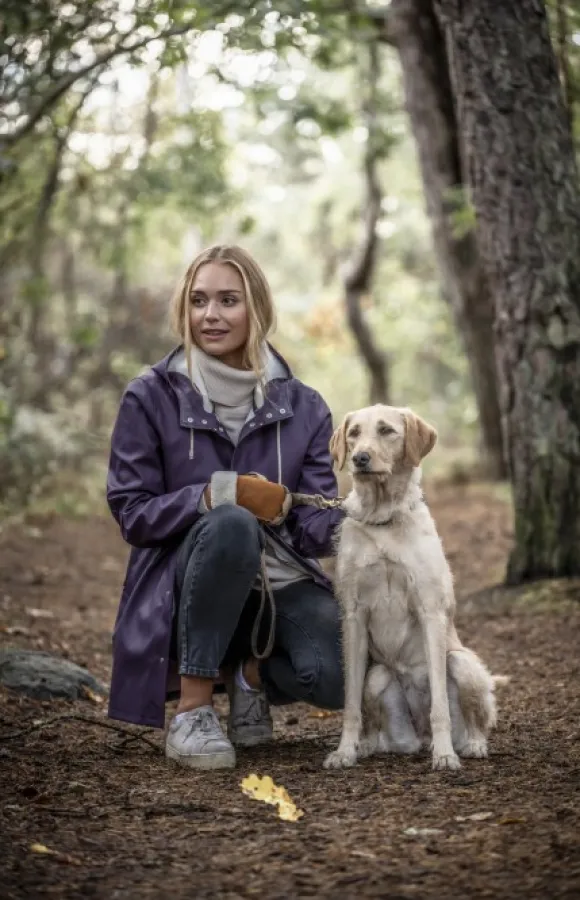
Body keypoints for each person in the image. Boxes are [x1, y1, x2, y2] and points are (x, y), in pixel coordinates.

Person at [106, 244, 345, 769]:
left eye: (228, 300)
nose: (210, 315)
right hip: (183, 580)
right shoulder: (150, 396)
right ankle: (192, 713)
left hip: (276, 583)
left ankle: (249, 677)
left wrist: (361, 518)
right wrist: (209, 496)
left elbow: (313, 528)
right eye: (198, 301)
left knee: (342, 674)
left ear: (256, 308)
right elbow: (132, 512)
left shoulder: (303, 405)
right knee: (231, 523)